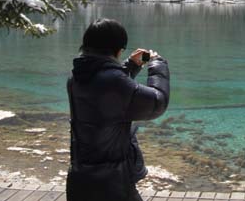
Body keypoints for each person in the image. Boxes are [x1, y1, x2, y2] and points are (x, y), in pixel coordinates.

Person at [66, 18, 170, 201]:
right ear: (118, 49)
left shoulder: (77, 77)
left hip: (80, 178)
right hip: (111, 185)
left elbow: (108, 94)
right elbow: (157, 102)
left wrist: (129, 66)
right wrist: (157, 65)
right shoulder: (114, 82)